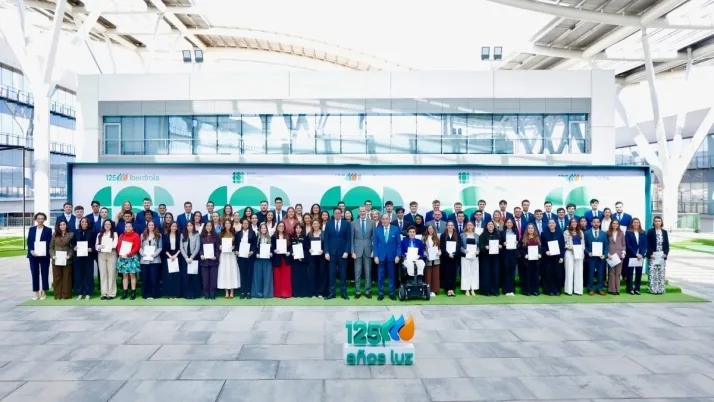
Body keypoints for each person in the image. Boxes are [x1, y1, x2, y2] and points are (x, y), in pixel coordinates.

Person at [324, 208, 351, 300]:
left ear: (341, 214)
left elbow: (348, 239)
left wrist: (347, 251)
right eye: (335, 213)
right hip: (331, 253)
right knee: (332, 274)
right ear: (333, 214)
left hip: (343, 253)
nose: (337, 214)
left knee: (343, 274)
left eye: (338, 213)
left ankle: (344, 293)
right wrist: (326, 252)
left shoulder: (346, 224)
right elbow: (326, 239)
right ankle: (332, 293)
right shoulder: (329, 223)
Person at [373, 213, 401, 301]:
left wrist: (398, 255)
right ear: (381, 220)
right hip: (380, 256)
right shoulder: (377, 230)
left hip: (392, 257)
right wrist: (376, 256)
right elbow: (375, 244)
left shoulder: (396, 229)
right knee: (380, 276)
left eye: (386, 219)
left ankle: (392, 293)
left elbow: (399, 244)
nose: (385, 220)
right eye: (383, 219)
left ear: (389, 220)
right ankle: (380, 294)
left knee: (392, 276)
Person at [27, 212, 52, 300]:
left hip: (44, 255)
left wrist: (43, 251)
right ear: (36, 219)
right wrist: (31, 250)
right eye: (39, 218)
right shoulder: (32, 229)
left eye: (42, 219)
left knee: (44, 273)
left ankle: (44, 291)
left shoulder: (48, 230)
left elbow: (49, 242)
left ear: (44, 219)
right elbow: (29, 241)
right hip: (33, 255)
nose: (40, 220)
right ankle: (36, 291)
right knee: (34, 273)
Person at [351, 206, 374, 299]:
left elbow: (374, 238)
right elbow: (351, 238)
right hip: (357, 251)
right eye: (361, 211)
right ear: (358, 212)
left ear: (366, 212)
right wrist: (352, 251)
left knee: (368, 272)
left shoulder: (371, 222)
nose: (362, 212)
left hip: (368, 250)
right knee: (357, 272)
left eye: (364, 211)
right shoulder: (353, 223)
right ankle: (358, 291)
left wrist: (373, 250)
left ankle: (368, 291)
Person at [72, 217, 96, 300]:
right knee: (78, 275)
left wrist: (91, 249)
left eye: (86, 222)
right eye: (82, 222)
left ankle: (88, 293)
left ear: (88, 223)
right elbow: (72, 243)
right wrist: (74, 247)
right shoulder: (76, 232)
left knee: (88, 275)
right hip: (78, 257)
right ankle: (80, 292)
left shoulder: (92, 232)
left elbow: (95, 244)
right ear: (80, 223)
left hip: (88, 257)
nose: (84, 223)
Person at [49, 219, 73, 300]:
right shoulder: (55, 234)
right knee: (57, 278)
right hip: (56, 260)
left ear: (66, 225)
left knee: (67, 278)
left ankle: (66, 295)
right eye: (60, 225)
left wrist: (69, 256)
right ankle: (57, 295)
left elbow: (72, 247)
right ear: (58, 226)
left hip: (67, 260)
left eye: (64, 224)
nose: (62, 226)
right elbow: (51, 247)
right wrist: (53, 256)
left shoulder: (71, 235)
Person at [117, 222, 141, 300]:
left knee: (132, 275)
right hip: (123, 258)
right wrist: (120, 253)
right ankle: (125, 292)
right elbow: (118, 246)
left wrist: (129, 254)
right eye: (126, 226)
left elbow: (137, 246)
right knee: (124, 275)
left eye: (129, 226)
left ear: (132, 227)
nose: (128, 228)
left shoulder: (136, 235)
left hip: (132, 257)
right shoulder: (121, 235)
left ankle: (133, 292)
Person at [585, 217, 609, 296]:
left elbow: (606, 246)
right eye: (594, 222)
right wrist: (588, 253)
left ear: (600, 223)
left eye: (597, 222)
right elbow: (584, 246)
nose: (596, 224)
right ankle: (590, 289)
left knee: (600, 274)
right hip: (590, 257)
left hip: (600, 258)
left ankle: (600, 289)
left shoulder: (604, 233)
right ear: (591, 223)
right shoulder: (586, 233)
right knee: (590, 273)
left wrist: (605, 255)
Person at [646, 216, 669, 295]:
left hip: (662, 256)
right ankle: (652, 289)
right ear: (653, 222)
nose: (657, 222)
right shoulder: (650, 231)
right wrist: (650, 253)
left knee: (661, 273)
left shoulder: (664, 232)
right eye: (656, 221)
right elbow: (648, 244)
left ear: (661, 222)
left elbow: (667, 245)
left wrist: (665, 253)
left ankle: (660, 289)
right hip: (653, 256)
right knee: (652, 273)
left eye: (659, 221)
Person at [96, 219, 118, 300]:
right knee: (103, 274)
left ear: (111, 225)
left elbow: (115, 245)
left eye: (109, 224)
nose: (107, 226)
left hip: (111, 254)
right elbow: (96, 246)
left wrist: (106, 245)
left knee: (112, 274)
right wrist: (100, 246)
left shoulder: (114, 234)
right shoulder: (99, 234)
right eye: (105, 224)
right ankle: (104, 293)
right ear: (103, 225)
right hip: (101, 254)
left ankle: (111, 293)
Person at [541, 219, 564, 296]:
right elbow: (541, 245)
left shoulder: (560, 233)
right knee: (548, 274)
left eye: (553, 223)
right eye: (550, 223)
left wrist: (562, 257)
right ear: (548, 225)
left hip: (557, 257)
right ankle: (549, 290)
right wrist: (546, 251)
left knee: (557, 274)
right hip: (548, 257)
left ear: (555, 224)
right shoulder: (543, 233)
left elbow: (562, 246)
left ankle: (557, 290)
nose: (551, 224)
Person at [140, 221, 163, 300]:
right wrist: (142, 253)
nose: (151, 226)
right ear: (147, 226)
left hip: (155, 260)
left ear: (154, 226)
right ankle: (146, 294)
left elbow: (160, 247)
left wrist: (155, 254)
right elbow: (140, 247)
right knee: (145, 278)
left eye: (152, 225)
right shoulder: (142, 235)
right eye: (149, 225)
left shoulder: (158, 235)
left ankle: (154, 294)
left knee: (154, 278)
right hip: (145, 259)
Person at [218, 219, 239, 299]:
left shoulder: (234, 233)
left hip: (231, 255)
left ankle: (232, 292)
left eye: (229, 223)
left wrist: (234, 247)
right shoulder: (221, 233)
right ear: (224, 225)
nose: (227, 225)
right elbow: (218, 244)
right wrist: (220, 247)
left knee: (232, 271)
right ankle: (226, 292)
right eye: (226, 223)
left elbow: (237, 243)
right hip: (223, 255)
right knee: (224, 272)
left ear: (231, 224)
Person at [625, 218, 647, 295]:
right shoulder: (628, 232)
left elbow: (645, 245)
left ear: (639, 223)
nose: (636, 224)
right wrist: (635, 254)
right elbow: (628, 245)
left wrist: (641, 254)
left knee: (639, 273)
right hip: (631, 255)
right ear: (632, 223)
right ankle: (630, 288)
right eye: (634, 222)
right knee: (630, 273)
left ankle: (637, 288)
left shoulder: (643, 232)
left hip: (640, 256)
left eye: (637, 222)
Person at [235, 217, 256, 299]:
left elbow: (254, 244)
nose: (245, 224)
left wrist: (252, 251)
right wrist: (236, 251)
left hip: (249, 257)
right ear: (242, 224)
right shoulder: (238, 233)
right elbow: (236, 244)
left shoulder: (252, 233)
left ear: (249, 224)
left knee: (249, 274)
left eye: (247, 223)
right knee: (242, 274)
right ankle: (242, 292)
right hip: (241, 257)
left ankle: (248, 292)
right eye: (244, 223)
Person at [563, 218, 584, 296]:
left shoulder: (581, 232)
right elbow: (566, 244)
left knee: (579, 271)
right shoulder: (566, 232)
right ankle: (569, 290)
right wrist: (573, 248)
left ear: (577, 223)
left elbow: (583, 243)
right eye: (572, 222)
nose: (574, 223)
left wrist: (581, 251)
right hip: (569, 253)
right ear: (570, 223)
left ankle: (578, 290)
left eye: (575, 222)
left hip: (579, 253)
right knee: (569, 271)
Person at [479, 221, 501, 296]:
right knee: (486, 274)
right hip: (485, 258)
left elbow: (501, 245)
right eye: (489, 224)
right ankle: (486, 291)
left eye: (492, 224)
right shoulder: (482, 235)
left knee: (495, 273)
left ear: (494, 226)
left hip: (495, 258)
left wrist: (500, 246)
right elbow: (480, 247)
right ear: (486, 226)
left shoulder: (497, 235)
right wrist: (485, 247)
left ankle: (494, 291)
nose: (490, 225)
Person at [271, 221, 293, 298]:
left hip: (286, 258)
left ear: (284, 227)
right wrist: (274, 250)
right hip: (277, 258)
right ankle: (278, 293)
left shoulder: (288, 236)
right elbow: (272, 247)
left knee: (286, 276)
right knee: (277, 276)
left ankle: (286, 293)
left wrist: (289, 252)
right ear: (277, 227)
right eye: (280, 226)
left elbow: (291, 247)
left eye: (282, 226)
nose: (281, 227)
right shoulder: (274, 236)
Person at [180, 221, 201, 300]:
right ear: (186, 227)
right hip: (185, 258)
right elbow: (181, 247)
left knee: (194, 277)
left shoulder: (196, 234)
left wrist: (192, 257)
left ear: (193, 226)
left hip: (194, 258)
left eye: (191, 225)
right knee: (186, 277)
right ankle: (187, 293)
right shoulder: (182, 235)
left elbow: (198, 247)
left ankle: (194, 293)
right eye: (188, 225)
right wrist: (186, 257)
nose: (189, 227)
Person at [519, 223, 542, 296]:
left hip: (536, 261)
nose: (530, 229)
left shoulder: (538, 237)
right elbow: (520, 249)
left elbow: (541, 248)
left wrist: (540, 254)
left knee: (535, 276)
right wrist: (525, 255)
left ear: (534, 229)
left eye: (532, 228)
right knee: (527, 276)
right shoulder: (523, 238)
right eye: (529, 228)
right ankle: (527, 291)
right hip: (527, 261)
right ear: (527, 229)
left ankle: (535, 291)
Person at [252, 223, 274, 298]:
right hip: (258, 259)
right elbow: (254, 247)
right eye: (262, 228)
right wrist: (256, 253)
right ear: (260, 229)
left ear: (267, 229)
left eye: (265, 228)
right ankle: (258, 293)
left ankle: (267, 293)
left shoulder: (269, 238)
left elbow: (272, 248)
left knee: (267, 277)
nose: (263, 229)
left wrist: (271, 253)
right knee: (258, 277)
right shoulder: (257, 238)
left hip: (267, 260)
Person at [162, 222, 183, 299]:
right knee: (169, 276)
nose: (174, 228)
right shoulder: (165, 236)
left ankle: (176, 294)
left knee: (176, 276)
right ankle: (169, 294)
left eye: (175, 226)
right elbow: (164, 248)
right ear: (170, 227)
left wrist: (175, 255)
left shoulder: (179, 236)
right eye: (173, 226)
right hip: (168, 257)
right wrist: (170, 256)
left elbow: (181, 247)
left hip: (177, 257)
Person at [200, 221, 220, 299]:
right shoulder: (201, 236)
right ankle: (206, 293)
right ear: (205, 227)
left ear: (212, 227)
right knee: (205, 278)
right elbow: (200, 248)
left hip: (213, 261)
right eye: (207, 226)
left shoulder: (216, 236)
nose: (209, 227)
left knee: (213, 278)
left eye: (210, 226)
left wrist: (216, 256)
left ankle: (212, 293)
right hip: (204, 261)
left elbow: (218, 248)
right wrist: (201, 255)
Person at [439, 221, 460, 297]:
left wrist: (454, 254)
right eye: (449, 225)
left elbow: (459, 247)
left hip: (454, 257)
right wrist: (448, 254)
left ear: (454, 226)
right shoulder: (443, 235)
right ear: (446, 226)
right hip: (446, 258)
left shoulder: (457, 235)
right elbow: (442, 247)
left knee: (453, 273)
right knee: (446, 273)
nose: (450, 226)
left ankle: (452, 289)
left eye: (452, 225)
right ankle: (447, 289)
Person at [499, 218, 519, 297]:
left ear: (513, 224)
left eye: (511, 222)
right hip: (505, 254)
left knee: (512, 272)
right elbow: (499, 243)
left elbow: (519, 243)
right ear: (505, 224)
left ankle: (512, 290)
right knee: (506, 272)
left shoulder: (515, 232)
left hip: (513, 254)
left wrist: (517, 242)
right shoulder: (502, 232)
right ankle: (506, 290)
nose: (509, 224)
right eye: (508, 222)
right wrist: (503, 244)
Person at [291, 223, 310, 297]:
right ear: (295, 229)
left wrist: (302, 256)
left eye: (299, 228)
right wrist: (292, 253)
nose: (298, 229)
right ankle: (296, 293)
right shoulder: (292, 237)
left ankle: (303, 293)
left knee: (303, 277)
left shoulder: (305, 237)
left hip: (303, 260)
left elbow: (307, 248)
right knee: (295, 277)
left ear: (302, 229)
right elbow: (290, 247)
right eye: (297, 228)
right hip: (294, 260)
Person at [460, 221, 479, 296]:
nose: (470, 226)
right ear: (466, 226)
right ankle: (466, 289)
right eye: (468, 225)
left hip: (474, 256)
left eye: (471, 225)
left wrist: (478, 251)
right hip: (465, 257)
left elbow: (478, 246)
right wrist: (464, 251)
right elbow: (460, 246)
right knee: (466, 272)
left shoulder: (477, 235)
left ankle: (473, 289)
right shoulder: (462, 235)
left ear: (473, 226)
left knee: (474, 273)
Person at [607, 219, 626, 295]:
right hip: (611, 255)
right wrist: (607, 254)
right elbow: (606, 244)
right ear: (611, 224)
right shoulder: (607, 233)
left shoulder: (621, 233)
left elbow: (623, 244)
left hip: (619, 255)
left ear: (618, 225)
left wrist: (623, 252)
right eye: (613, 223)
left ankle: (617, 289)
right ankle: (612, 289)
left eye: (616, 223)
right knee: (611, 273)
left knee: (618, 273)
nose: (615, 225)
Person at [308, 219, 326, 298]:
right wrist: (309, 249)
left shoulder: (324, 233)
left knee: (321, 274)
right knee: (313, 274)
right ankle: (313, 292)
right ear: (312, 225)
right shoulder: (309, 234)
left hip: (321, 257)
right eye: (314, 224)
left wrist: (323, 250)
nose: (315, 225)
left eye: (317, 223)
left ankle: (320, 292)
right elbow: (306, 244)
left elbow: (327, 244)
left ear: (319, 224)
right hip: (312, 258)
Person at [423, 224, 441, 297]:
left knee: (435, 275)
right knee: (428, 275)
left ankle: (434, 290)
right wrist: (426, 255)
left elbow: (439, 248)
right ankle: (428, 290)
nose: (430, 230)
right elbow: (423, 249)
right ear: (427, 230)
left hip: (436, 259)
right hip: (428, 259)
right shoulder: (424, 238)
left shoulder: (437, 237)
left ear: (434, 229)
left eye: (432, 228)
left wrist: (439, 252)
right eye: (429, 229)